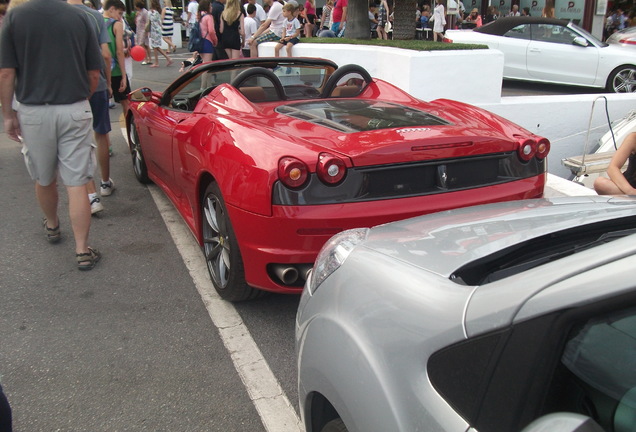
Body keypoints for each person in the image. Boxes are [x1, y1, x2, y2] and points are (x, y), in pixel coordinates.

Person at [0, 0, 103, 270]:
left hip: (33, 111)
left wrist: (9, 115)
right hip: (73, 107)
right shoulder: (79, 17)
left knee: (43, 176)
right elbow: (94, 72)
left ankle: (53, 225)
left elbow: (6, 72)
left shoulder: (15, 17)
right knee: (77, 181)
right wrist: (82, 99)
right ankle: (82, 250)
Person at [69, 0, 115, 215]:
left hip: (72, 86)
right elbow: (105, 54)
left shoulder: (60, 15)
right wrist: (109, 82)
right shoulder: (95, 16)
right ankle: (105, 182)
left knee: (80, 140)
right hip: (96, 83)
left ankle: (92, 195)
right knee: (101, 133)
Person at [103, 0, 130, 117]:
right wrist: (124, 75)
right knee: (126, 103)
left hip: (101, 70)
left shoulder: (95, 21)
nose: (120, 18)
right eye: (119, 13)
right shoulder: (116, 24)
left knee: (101, 107)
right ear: (112, 9)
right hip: (116, 71)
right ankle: (129, 132)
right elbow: (119, 51)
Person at [148, 0, 173, 67]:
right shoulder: (159, 11)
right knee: (156, 47)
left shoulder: (152, 12)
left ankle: (157, 62)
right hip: (158, 30)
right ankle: (167, 58)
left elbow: (149, 21)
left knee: (155, 46)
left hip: (154, 30)